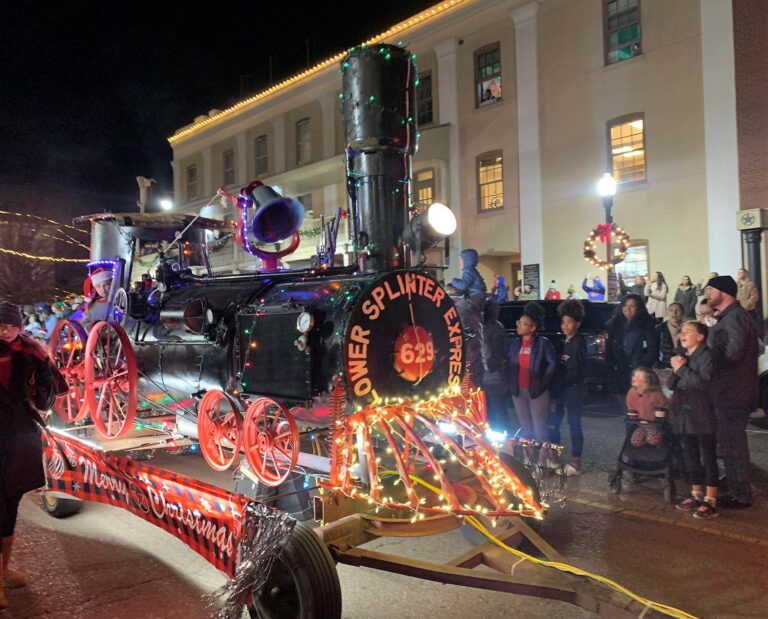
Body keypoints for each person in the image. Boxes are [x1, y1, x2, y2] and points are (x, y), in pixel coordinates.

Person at [0, 301, 62, 608]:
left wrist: (44, 388)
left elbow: (48, 394)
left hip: (20, 433)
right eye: (0, 325)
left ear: (19, 326)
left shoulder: (33, 353)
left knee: (10, 501)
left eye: (10, 325)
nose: (5, 330)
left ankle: (3, 569)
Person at [705, 275, 758, 509]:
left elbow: (732, 354)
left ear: (724, 293)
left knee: (733, 443)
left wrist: (709, 345)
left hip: (733, 392)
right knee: (728, 442)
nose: (707, 293)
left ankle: (741, 493)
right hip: (729, 390)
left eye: (710, 289)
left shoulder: (734, 318)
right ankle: (735, 482)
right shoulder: (728, 317)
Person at [668, 321, 719, 519]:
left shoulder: (707, 356)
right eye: (682, 331)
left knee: (707, 455)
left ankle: (710, 499)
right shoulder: (683, 356)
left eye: (688, 331)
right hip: (684, 413)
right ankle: (696, 493)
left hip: (702, 412)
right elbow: (672, 384)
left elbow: (701, 383)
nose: (683, 334)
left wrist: (681, 370)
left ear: (700, 336)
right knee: (690, 454)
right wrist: (676, 368)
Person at [507, 302, 557, 463]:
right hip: (519, 391)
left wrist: (543, 384)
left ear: (533, 327)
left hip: (537, 391)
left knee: (540, 428)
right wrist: (511, 384)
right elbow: (509, 364)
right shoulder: (515, 344)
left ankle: (544, 461)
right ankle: (528, 460)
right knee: (525, 427)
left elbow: (552, 363)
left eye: (524, 324)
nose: (520, 326)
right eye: (519, 323)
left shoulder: (542, 343)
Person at [548, 299, 587, 476]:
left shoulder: (579, 343)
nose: (565, 326)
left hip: (573, 390)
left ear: (577, 324)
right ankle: (554, 457)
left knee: (573, 424)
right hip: (561, 390)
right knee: (554, 422)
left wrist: (562, 382)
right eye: (563, 322)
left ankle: (575, 463)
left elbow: (577, 370)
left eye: (569, 322)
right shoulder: (563, 342)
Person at [606, 294, 659, 394]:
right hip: (620, 370)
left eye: (632, 306)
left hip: (640, 372)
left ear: (639, 308)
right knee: (622, 401)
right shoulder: (614, 325)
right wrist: (610, 365)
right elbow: (609, 348)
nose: (628, 309)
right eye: (625, 306)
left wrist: (642, 365)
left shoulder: (647, 325)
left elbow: (653, 351)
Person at [481, 299, 509, 434]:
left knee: (498, 409)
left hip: (493, 375)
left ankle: (504, 440)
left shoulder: (495, 328)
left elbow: (499, 353)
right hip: (483, 375)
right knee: (488, 410)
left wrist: (491, 365)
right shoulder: (482, 327)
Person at [626, 367, 668, 447]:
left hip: (655, 425)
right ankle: (645, 451)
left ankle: (661, 444)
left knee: (652, 440)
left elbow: (665, 407)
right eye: (634, 376)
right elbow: (630, 407)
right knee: (635, 441)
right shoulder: (632, 392)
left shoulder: (656, 395)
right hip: (640, 424)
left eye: (638, 377)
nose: (634, 378)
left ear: (647, 381)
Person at [657, 302, 684, 368]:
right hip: (664, 365)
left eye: (677, 310)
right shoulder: (659, 328)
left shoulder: (687, 328)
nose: (674, 313)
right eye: (671, 310)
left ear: (682, 312)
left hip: (682, 365)